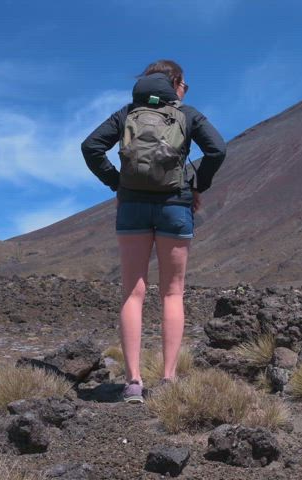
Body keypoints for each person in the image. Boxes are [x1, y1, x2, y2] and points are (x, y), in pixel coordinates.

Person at [81, 60, 226, 403]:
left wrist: (118, 183)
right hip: (175, 206)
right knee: (172, 293)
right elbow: (217, 149)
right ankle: (169, 378)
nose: (184, 91)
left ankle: (132, 382)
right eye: (184, 86)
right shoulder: (187, 115)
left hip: (132, 205)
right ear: (175, 83)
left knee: (133, 292)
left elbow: (91, 147)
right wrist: (196, 186)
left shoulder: (126, 114)